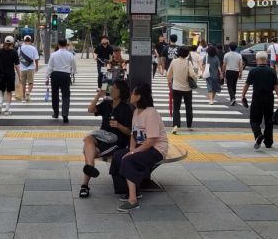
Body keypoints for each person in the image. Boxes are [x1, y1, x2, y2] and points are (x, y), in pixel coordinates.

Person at [112, 83, 168, 212]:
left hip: (156, 149)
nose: (131, 95)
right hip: (143, 146)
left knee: (128, 159)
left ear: (138, 97)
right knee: (118, 156)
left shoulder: (151, 113)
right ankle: (131, 190)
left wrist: (133, 153)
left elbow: (152, 140)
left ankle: (133, 200)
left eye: (133, 93)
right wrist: (131, 150)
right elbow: (133, 134)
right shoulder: (136, 111)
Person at [80, 80, 133, 198]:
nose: (111, 90)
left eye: (114, 88)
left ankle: (84, 185)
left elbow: (130, 132)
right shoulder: (106, 104)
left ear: (120, 92)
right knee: (88, 139)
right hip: (102, 136)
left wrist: (118, 125)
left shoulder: (126, 109)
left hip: (115, 142)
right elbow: (90, 110)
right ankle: (89, 166)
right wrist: (98, 95)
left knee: (89, 151)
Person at [241, 51, 278, 150]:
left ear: (256, 60)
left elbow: (247, 84)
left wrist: (243, 95)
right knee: (269, 120)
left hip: (257, 98)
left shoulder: (253, 71)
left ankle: (258, 134)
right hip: (269, 98)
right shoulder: (272, 71)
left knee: (254, 120)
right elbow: (276, 86)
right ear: (267, 60)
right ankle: (268, 142)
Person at [166, 45, 198, 134]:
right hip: (187, 89)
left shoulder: (174, 61)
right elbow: (192, 74)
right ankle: (189, 125)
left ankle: (176, 125)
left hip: (176, 88)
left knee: (176, 108)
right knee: (188, 107)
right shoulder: (188, 63)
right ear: (187, 54)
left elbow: (169, 74)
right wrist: (196, 77)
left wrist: (169, 82)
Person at [46, 38, 78, 123]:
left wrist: (47, 77)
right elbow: (74, 66)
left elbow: (50, 66)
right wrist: (73, 72)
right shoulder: (70, 55)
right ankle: (65, 114)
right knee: (66, 95)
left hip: (55, 75)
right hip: (65, 75)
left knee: (55, 94)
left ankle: (56, 113)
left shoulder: (54, 54)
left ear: (58, 45)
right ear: (66, 44)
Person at [0, 36, 20, 114]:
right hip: (10, 74)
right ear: (12, 43)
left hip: (1, 74)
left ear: (5, 42)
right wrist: (19, 76)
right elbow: (16, 65)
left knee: (1, 90)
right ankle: (7, 110)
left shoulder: (0, 51)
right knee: (9, 92)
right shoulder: (14, 52)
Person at [17, 35, 39, 102]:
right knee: (30, 83)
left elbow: (18, 57)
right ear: (30, 41)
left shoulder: (20, 48)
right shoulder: (33, 48)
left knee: (23, 84)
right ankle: (28, 92)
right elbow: (36, 59)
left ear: (24, 40)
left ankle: (23, 97)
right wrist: (37, 67)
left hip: (22, 68)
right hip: (31, 67)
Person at [222, 42, 244, 106]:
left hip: (229, 71)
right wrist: (241, 73)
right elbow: (240, 65)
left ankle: (232, 97)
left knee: (229, 85)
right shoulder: (239, 55)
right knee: (234, 85)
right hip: (236, 71)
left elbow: (224, 64)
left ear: (229, 47)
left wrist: (223, 72)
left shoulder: (226, 55)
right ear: (236, 47)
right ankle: (233, 97)